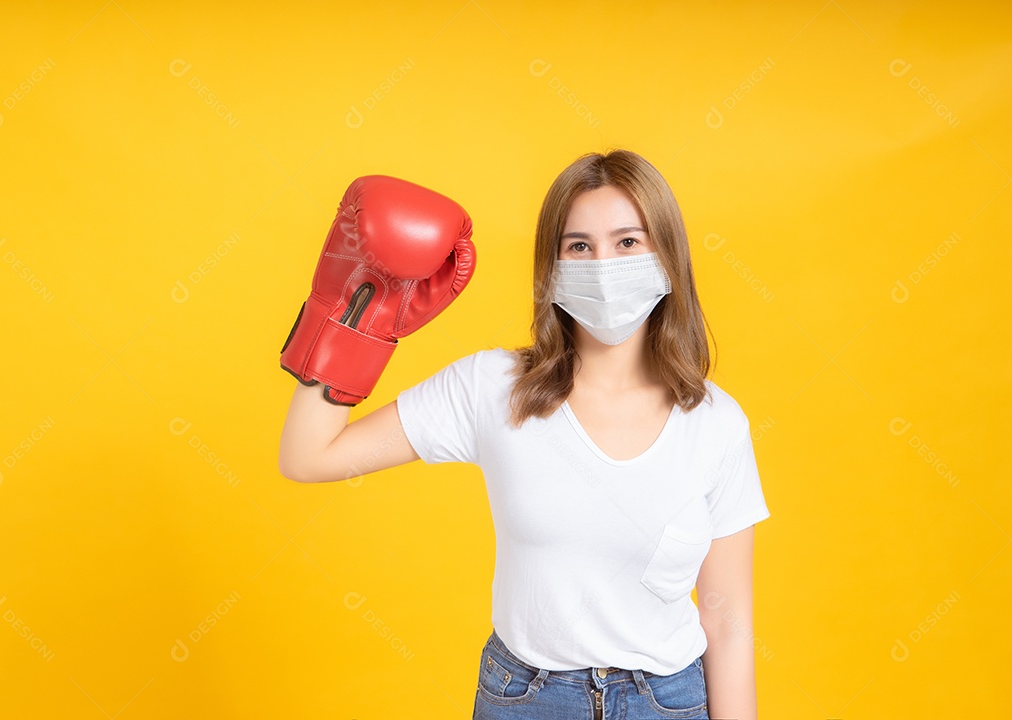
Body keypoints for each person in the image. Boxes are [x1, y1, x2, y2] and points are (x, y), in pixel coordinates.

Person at [279, 151, 771, 720]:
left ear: (667, 257)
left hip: (667, 701)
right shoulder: (493, 387)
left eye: (628, 242)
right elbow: (308, 456)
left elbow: (729, 624)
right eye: (579, 245)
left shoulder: (717, 423)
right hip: (526, 699)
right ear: (553, 266)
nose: (603, 263)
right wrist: (353, 320)